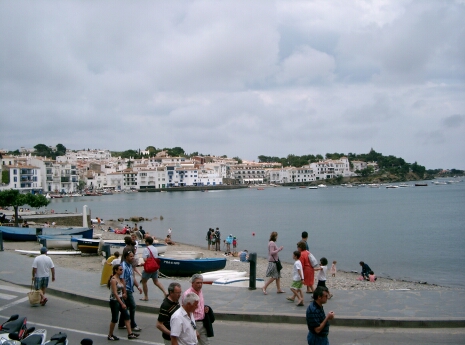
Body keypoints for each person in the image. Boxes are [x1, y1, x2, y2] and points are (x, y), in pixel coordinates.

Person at [107, 265, 139, 340]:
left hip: (121, 299)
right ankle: (110, 335)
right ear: (116, 270)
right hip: (114, 301)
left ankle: (130, 334)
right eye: (120, 270)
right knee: (115, 319)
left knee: (126, 316)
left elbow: (123, 288)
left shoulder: (120, 279)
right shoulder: (113, 280)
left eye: (122, 270)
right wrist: (122, 303)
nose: (122, 271)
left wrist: (124, 293)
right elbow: (115, 293)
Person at [117, 250, 143, 332]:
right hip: (126, 289)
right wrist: (124, 292)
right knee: (132, 306)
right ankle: (133, 324)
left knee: (126, 307)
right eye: (131, 256)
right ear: (126, 257)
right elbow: (122, 280)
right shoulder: (123, 267)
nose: (132, 258)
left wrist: (138, 286)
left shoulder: (130, 266)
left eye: (133, 256)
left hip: (130, 289)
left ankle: (121, 323)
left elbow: (132, 277)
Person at [182, 274, 211, 345]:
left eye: (201, 283)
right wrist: (194, 329)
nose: (200, 285)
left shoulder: (200, 291)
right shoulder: (188, 294)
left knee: (206, 343)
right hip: (194, 323)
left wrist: (204, 309)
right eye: (198, 283)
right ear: (192, 283)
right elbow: (185, 313)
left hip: (202, 323)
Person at [140, 237, 167, 301]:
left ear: (147, 242)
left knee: (144, 281)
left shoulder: (146, 249)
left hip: (149, 268)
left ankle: (146, 296)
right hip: (154, 267)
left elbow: (145, 259)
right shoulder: (155, 248)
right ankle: (165, 292)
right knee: (156, 281)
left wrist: (143, 263)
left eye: (145, 241)